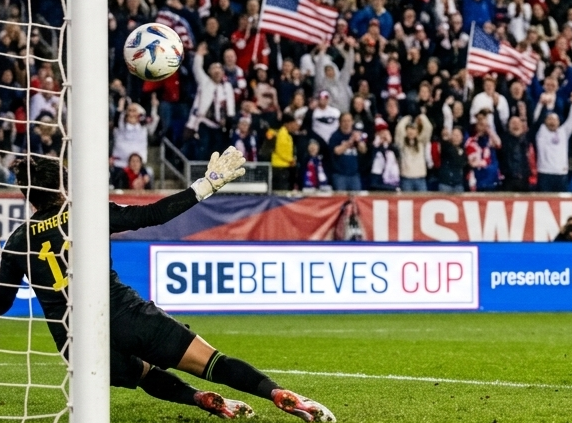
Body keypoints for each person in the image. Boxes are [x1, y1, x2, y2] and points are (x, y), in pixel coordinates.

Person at [0, 152, 336, 421]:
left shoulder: (16, 242)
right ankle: (277, 394)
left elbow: (2, 302)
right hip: (125, 315)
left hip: (75, 340)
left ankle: (196, 398)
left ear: (26, 194)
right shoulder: (85, 213)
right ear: (63, 183)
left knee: (145, 375)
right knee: (213, 362)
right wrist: (207, 184)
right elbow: (152, 215)